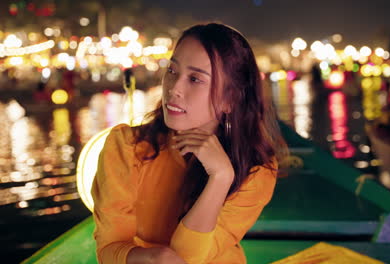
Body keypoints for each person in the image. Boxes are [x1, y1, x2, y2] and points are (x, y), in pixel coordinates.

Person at [91, 23, 287, 264]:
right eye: (172, 71)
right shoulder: (126, 146)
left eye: (195, 79)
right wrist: (156, 257)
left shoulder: (255, 169)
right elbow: (108, 249)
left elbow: (190, 258)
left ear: (230, 99)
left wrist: (221, 177)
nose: (174, 89)